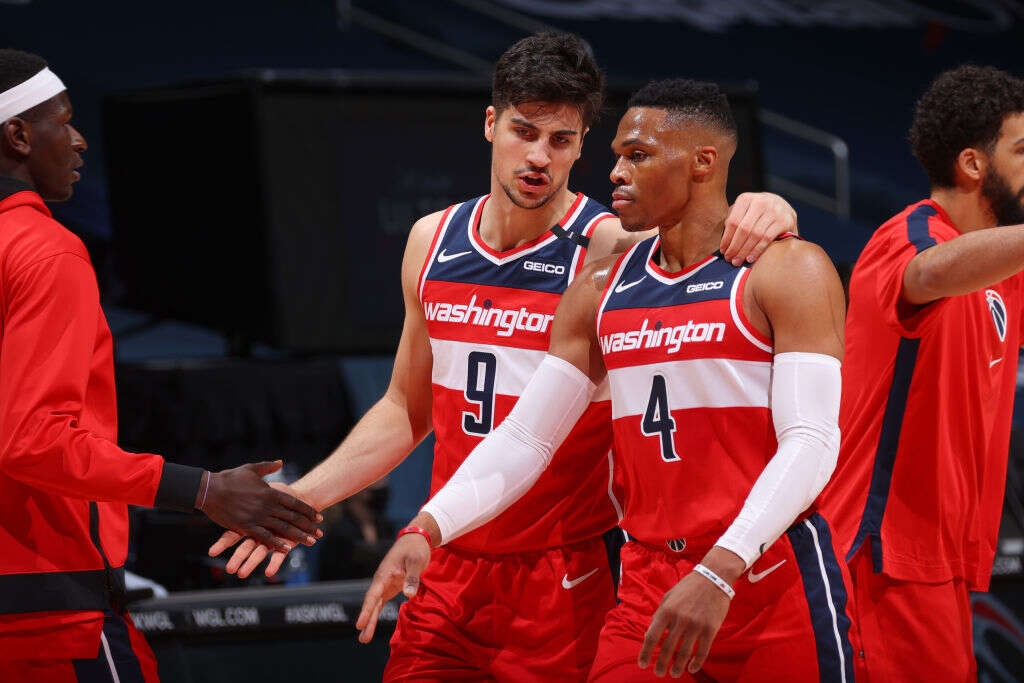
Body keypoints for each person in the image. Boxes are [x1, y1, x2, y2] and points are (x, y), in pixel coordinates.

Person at [210, 34, 799, 681]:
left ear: (583, 144)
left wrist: (768, 207)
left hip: (565, 576)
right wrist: (301, 500)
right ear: (491, 123)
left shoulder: (613, 248)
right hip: (446, 558)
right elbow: (407, 409)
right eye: (524, 131)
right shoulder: (431, 240)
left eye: (561, 139)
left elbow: (718, 239)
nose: (539, 156)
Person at [362, 78, 858, 681]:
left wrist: (721, 568)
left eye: (638, 155)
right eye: (618, 154)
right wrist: (427, 526)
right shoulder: (599, 289)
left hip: (765, 573)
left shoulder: (789, 269)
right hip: (648, 583)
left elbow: (812, 440)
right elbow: (526, 437)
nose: (616, 172)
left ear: (703, 162)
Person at [0, 49, 322, 683]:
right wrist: (202, 489)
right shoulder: (44, 251)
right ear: (17, 136)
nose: (78, 140)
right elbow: (31, 440)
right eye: (62, 121)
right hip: (47, 614)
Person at [820, 64, 1024, 681]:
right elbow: (931, 272)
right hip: (879, 549)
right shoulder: (908, 236)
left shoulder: (1004, 271)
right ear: (973, 164)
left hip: (941, 553)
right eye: (1023, 151)